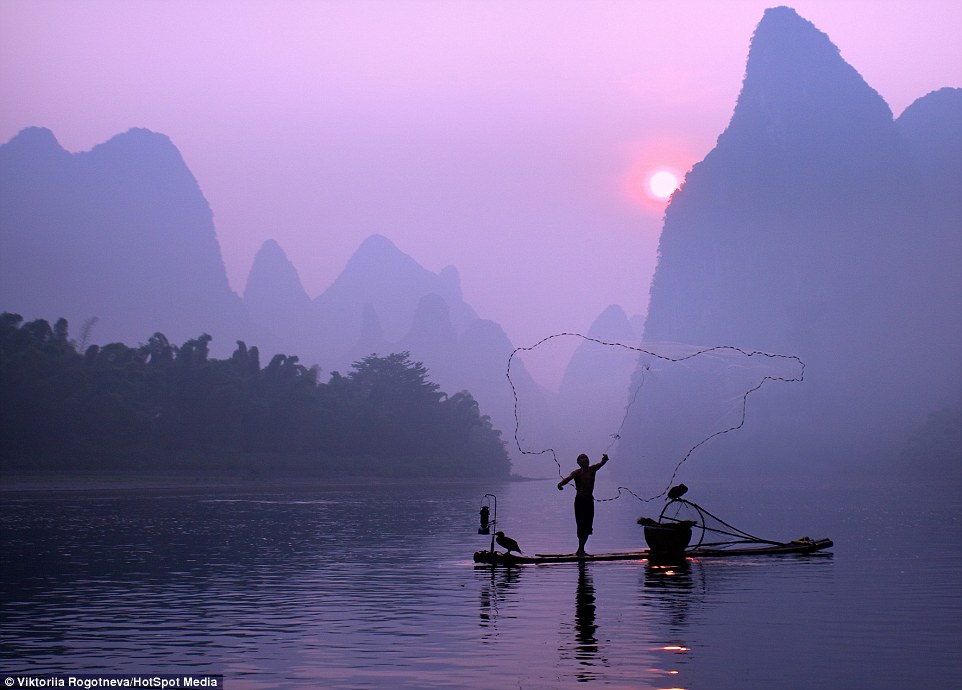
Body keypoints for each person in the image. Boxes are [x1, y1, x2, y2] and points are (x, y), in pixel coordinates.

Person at [557, 453, 609, 556]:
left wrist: (605, 459)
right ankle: (581, 550)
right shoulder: (576, 473)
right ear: (578, 462)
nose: (585, 460)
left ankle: (581, 550)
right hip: (580, 501)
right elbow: (568, 479)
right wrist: (560, 484)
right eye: (583, 458)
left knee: (588, 526)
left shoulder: (592, 469)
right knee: (581, 525)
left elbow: (601, 463)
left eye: (586, 458)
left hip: (589, 500)